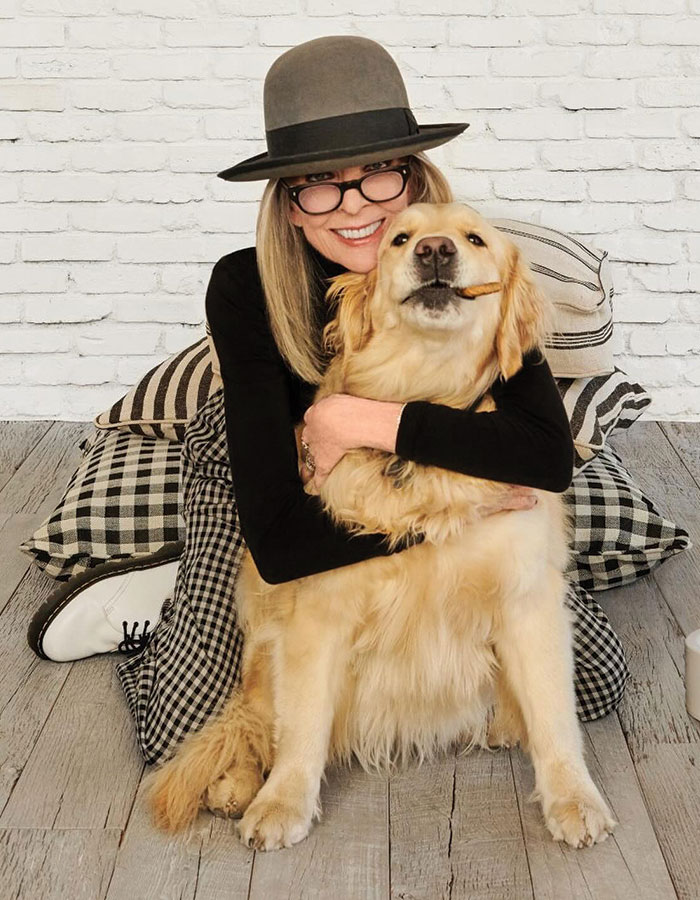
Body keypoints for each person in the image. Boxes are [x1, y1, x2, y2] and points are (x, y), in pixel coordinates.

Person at [27, 35, 630, 766]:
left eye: (379, 175)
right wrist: (461, 508)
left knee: (594, 687)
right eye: (319, 181)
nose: (355, 207)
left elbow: (545, 456)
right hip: (275, 488)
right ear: (289, 206)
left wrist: (361, 420)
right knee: (183, 735)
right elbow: (281, 547)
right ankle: (167, 591)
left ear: (413, 180)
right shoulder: (244, 287)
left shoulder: (465, 265)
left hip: (431, 478)